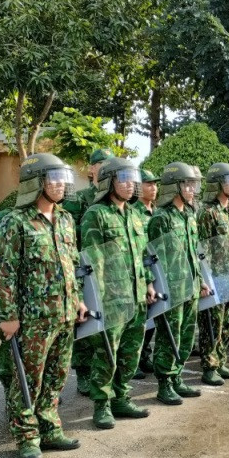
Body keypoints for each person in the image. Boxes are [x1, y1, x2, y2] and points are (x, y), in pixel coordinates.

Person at [0, 154, 87, 458]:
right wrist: (8, 316)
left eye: (63, 177)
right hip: (32, 319)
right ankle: (26, 436)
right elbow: (7, 273)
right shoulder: (15, 220)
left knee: (56, 377)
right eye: (53, 178)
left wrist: (79, 300)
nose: (61, 184)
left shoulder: (66, 219)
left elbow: (72, 265)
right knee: (27, 381)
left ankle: (49, 429)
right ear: (36, 182)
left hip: (64, 314)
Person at [80, 157, 156, 429]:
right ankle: (102, 405)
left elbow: (143, 254)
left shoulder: (135, 214)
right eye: (122, 178)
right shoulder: (96, 214)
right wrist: (95, 298)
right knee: (106, 354)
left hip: (135, 295)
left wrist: (147, 283)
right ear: (109, 181)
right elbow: (92, 260)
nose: (129, 184)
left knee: (131, 351)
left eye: (131, 179)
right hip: (111, 298)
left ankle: (121, 397)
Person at [147, 162, 207, 405]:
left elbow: (195, 252)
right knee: (167, 336)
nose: (192, 189)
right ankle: (164, 383)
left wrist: (201, 280)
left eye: (193, 184)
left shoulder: (189, 215)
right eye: (188, 184)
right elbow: (151, 257)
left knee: (185, 335)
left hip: (190, 285)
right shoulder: (161, 218)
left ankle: (177, 377)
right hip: (171, 289)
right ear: (175, 187)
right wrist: (153, 285)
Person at [66, 147, 113, 395]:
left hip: (111, 268)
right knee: (85, 323)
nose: (105, 167)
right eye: (101, 164)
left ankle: (103, 370)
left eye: (109, 163)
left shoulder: (115, 197)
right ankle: (83, 372)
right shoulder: (80, 199)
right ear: (91, 169)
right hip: (85, 267)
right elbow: (69, 235)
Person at [197, 162, 229, 386]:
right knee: (211, 325)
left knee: (227, 323)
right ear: (217, 184)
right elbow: (202, 250)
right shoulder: (208, 213)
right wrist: (204, 279)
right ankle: (209, 367)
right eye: (228, 181)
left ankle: (221, 361)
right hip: (215, 277)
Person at [134, 167, 160, 378]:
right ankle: (133, 361)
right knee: (138, 320)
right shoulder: (134, 212)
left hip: (157, 270)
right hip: (140, 272)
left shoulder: (157, 212)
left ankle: (145, 355)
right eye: (148, 183)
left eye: (155, 184)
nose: (153, 188)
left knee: (153, 317)